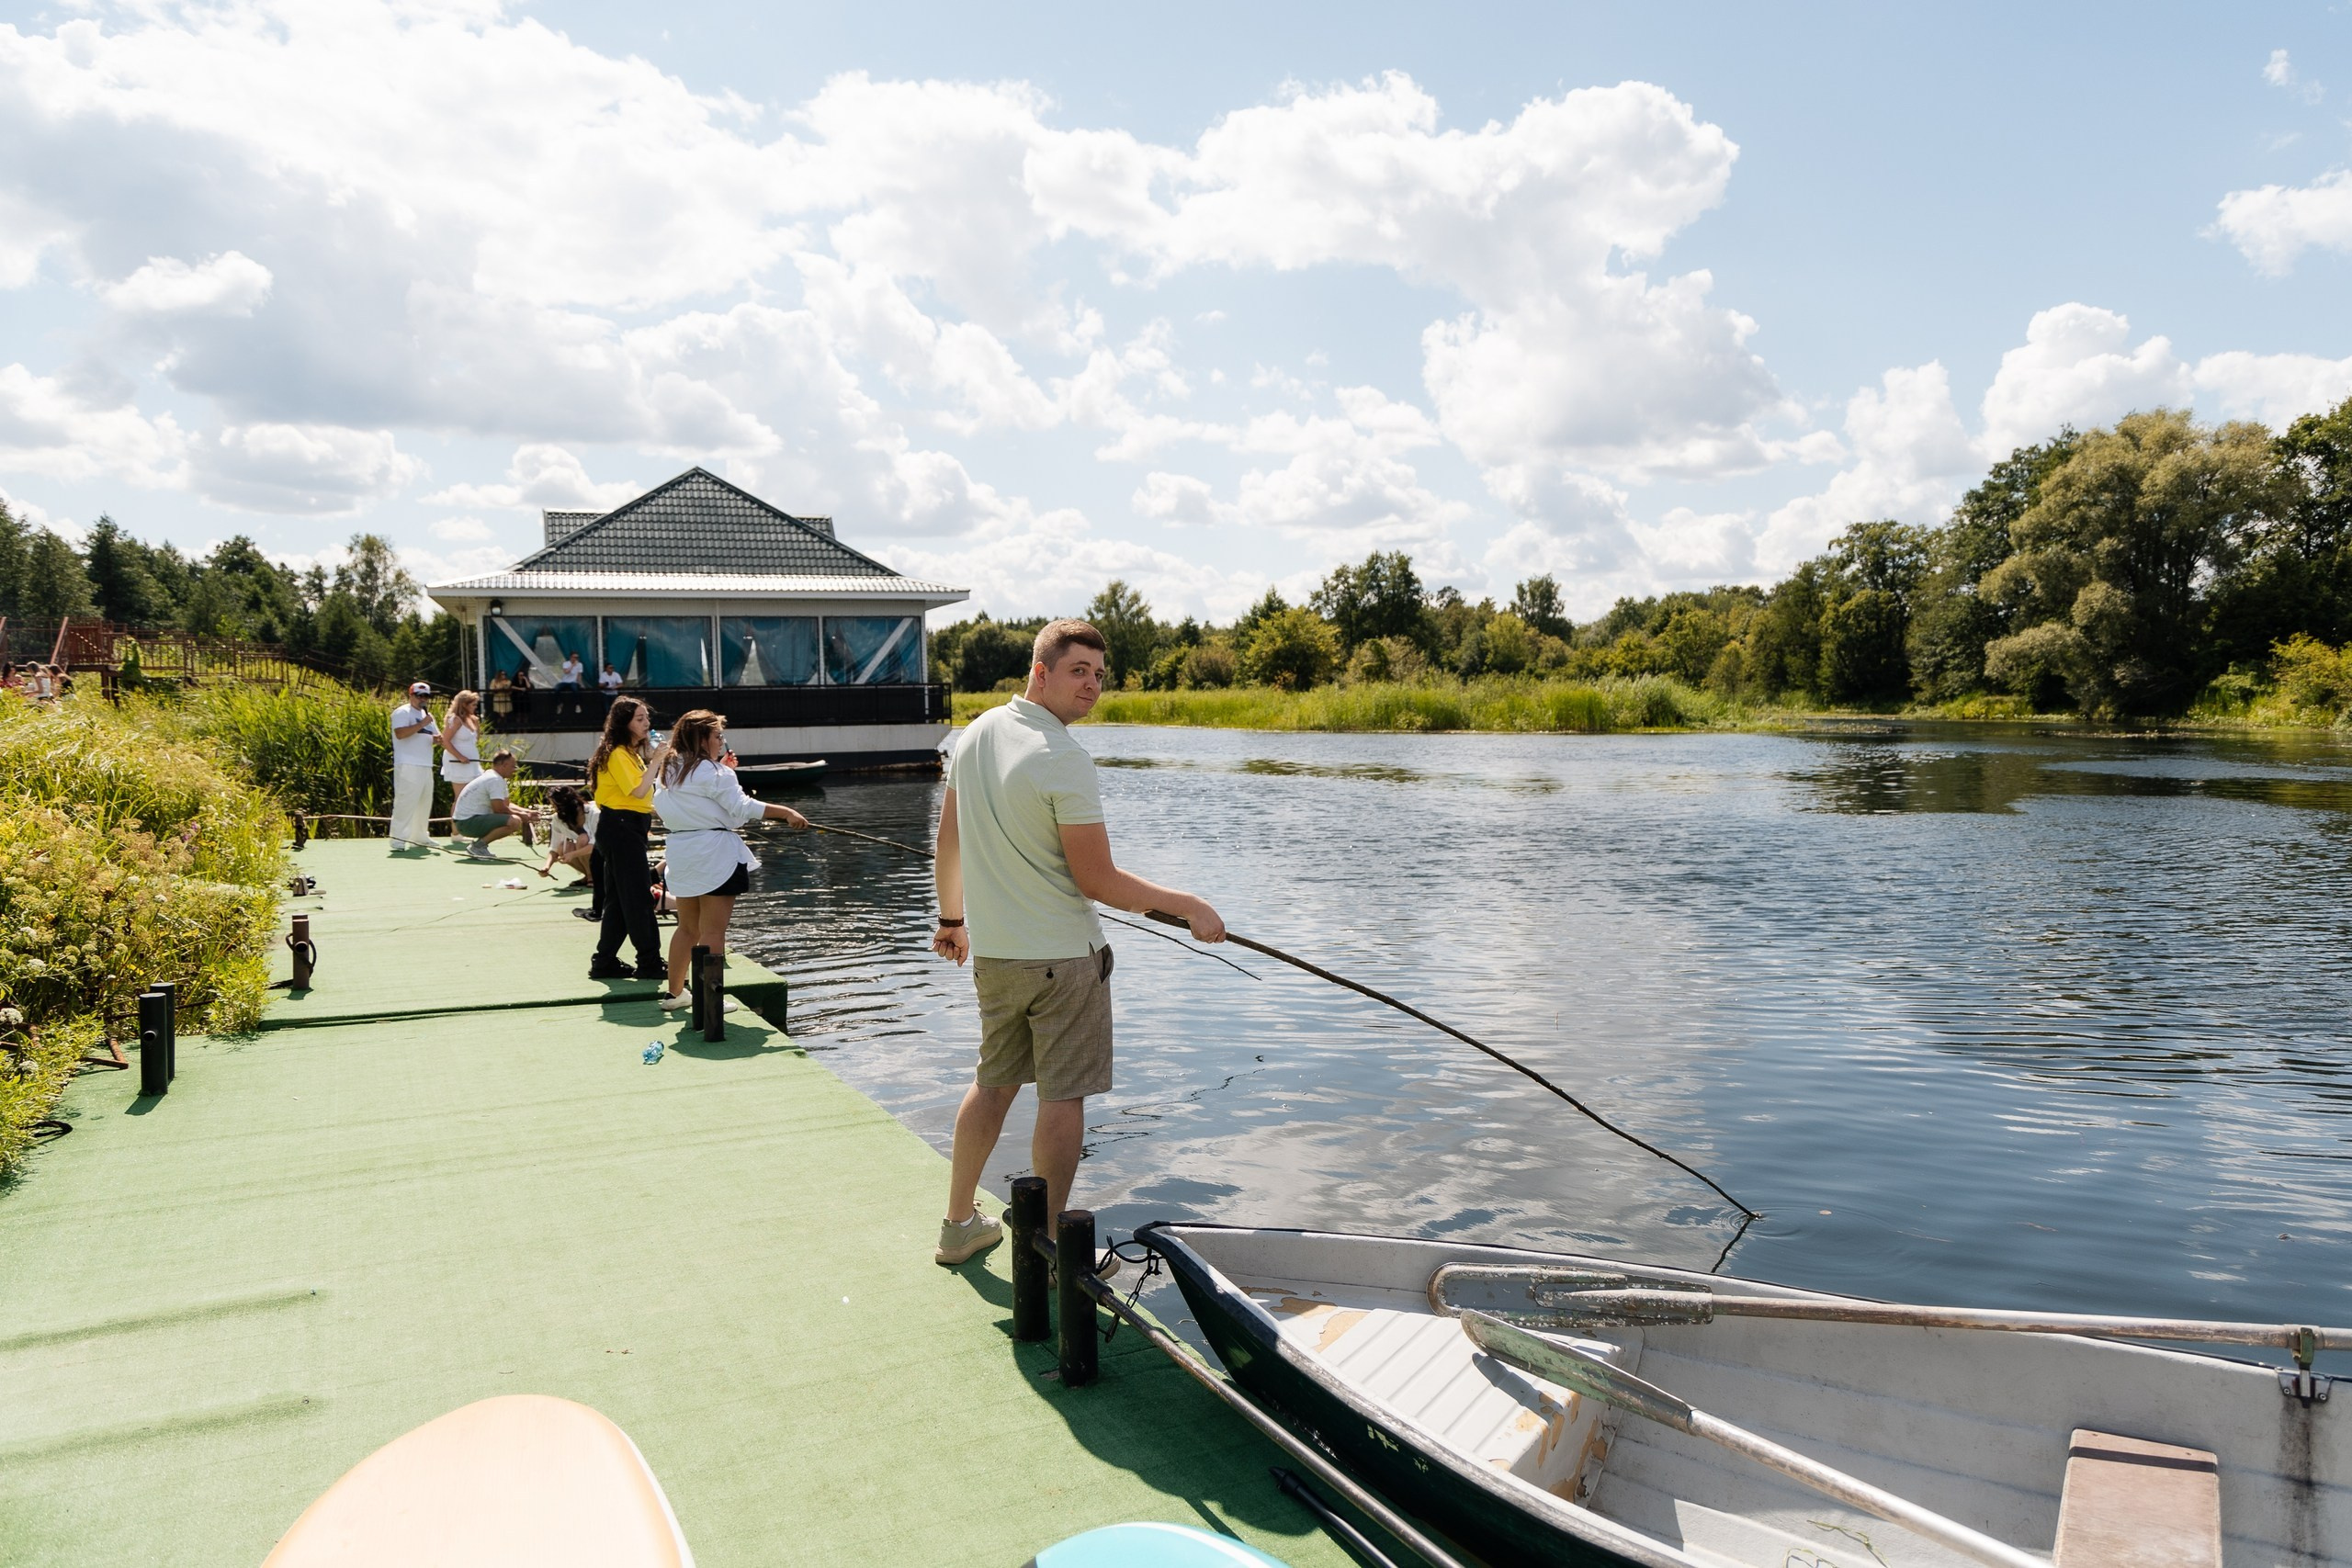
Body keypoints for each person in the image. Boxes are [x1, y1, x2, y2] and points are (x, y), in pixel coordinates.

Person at [929, 619, 1225, 1268]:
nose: (1092, 684)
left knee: (994, 1083)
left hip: (998, 957)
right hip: (1063, 959)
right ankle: (1053, 1245)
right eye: (1078, 670)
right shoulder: (1064, 757)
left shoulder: (974, 734)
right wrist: (1192, 906)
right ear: (1041, 670)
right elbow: (1099, 881)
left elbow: (948, 841)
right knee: (1061, 1099)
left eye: (1099, 673)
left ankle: (958, 1224)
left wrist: (952, 919)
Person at [650, 710, 808, 1013]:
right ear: (702, 738)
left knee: (687, 928)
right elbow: (740, 807)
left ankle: (674, 994)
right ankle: (710, 1000)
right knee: (713, 931)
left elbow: (699, 802)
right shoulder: (716, 773)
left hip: (682, 852)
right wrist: (785, 811)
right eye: (718, 736)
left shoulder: (669, 770)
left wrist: (722, 772)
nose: (722, 741)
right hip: (715, 854)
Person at [586, 695, 664, 981]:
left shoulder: (629, 753)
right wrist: (656, 760)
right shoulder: (618, 753)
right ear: (625, 723)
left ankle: (604, 961)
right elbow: (638, 791)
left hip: (627, 828)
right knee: (638, 899)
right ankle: (650, 962)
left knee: (619, 901)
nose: (647, 724)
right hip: (620, 828)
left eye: (647, 718)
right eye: (640, 719)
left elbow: (644, 796)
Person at [451, 750, 535, 860]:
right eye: (513, 766)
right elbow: (499, 809)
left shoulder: (495, 778)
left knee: (515, 818)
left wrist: (526, 812)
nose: (515, 770)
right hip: (467, 823)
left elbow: (505, 805)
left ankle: (478, 847)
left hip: (466, 822)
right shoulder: (494, 780)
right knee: (514, 821)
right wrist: (522, 816)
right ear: (504, 765)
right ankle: (478, 847)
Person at [389, 682, 439, 850]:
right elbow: (400, 734)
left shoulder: (428, 717)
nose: (423, 699)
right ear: (411, 695)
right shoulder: (402, 712)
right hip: (408, 764)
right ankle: (398, 840)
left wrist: (436, 740)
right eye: (419, 695)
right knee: (405, 802)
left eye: (426, 696)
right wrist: (422, 724)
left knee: (425, 803)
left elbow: (433, 736)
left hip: (425, 764)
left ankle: (420, 836)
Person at [535, 784, 598, 887]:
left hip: (602, 853)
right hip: (588, 852)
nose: (555, 809)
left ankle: (593, 876)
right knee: (562, 848)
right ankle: (588, 875)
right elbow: (554, 848)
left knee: (582, 839)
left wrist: (573, 854)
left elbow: (595, 844)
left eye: (555, 806)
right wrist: (547, 866)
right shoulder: (558, 818)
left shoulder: (595, 813)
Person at [439, 690, 484, 813]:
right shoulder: (455, 720)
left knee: (474, 795)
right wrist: (460, 757)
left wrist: (476, 724)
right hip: (458, 763)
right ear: (464, 704)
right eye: (473, 705)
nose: (475, 708)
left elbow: (476, 739)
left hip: (472, 764)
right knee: (460, 797)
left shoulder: (472, 719)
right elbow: (445, 741)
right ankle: (456, 831)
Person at [558, 649, 584, 715]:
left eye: (577, 657)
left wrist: (580, 683)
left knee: (575, 690)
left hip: (573, 681)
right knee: (556, 689)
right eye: (574, 657)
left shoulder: (580, 665)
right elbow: (566, 672)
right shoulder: (566, 663)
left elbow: (579, 675)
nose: (576, 659)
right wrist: (572, 665)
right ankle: (559, 704)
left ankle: (577, 705)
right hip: (565, 681)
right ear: (571, 657)